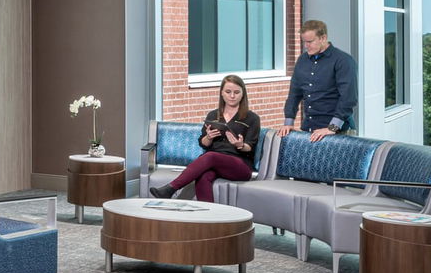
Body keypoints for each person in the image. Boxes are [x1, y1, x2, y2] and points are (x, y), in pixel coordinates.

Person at [150, 74, 262, 202]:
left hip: (240, 165)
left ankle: (171, 188)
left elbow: (250, 147)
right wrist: (208, 137)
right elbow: (203, 143)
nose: (232, 96)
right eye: (228, 92)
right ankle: (208, 215)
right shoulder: (213, 115)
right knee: (203, 175)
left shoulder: (252, 118)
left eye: (236, 92)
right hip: (214, 162)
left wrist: (240, 145)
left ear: (243, 94)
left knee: (210, 156)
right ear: (222, 93)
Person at [278, 19, 357, 142]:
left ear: (323, 38)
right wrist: (288, 121)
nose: (306, 46)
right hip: (310, 129)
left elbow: (348, 98)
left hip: (339, 132)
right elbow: (294, 94)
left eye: (310, 41)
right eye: (304, 42)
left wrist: (332, 127)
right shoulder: (302, 61)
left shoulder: (343, 60)